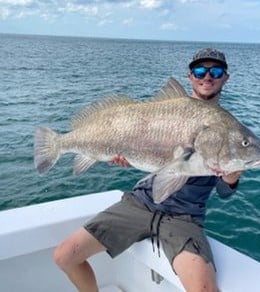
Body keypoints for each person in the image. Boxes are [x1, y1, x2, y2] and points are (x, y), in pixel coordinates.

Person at [53, 48, 241, 292]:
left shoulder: (229, 131)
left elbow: (225, 192)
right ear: (190, 77)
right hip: (140, 204)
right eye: (199, 71)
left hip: (184, 216)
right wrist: (123, 155)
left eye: (215, 71)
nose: (207, 76)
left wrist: (232, 178)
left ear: (225, 77)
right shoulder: (166, 112)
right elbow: (147, 157)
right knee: (65, 256)